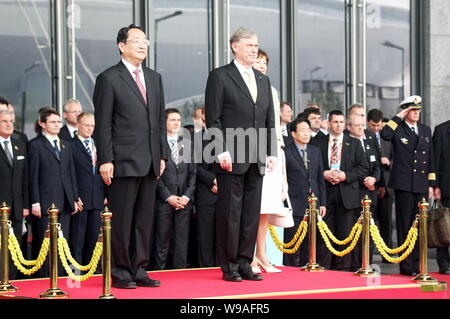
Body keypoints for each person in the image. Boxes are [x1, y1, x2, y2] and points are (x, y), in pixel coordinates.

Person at [93, 24, 168, 289]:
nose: (143, 45)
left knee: (144, 219)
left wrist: (162, 155)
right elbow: (103, 123)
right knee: (122, 220)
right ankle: (121, 270)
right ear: (121, 46)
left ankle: (139, 268)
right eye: (136, 40)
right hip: (122, 160)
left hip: (150, 160)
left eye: (145, 41)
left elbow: (159, 120)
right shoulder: (109, 78)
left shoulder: (154, 77)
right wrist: (105, 158)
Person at [205, 27, 277, 282]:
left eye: (256, 45)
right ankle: (230, 265)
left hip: (257, 157)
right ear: (235, 46)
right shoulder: (220, 76)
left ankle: (246, 262)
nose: (254, 50)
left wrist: (271, 152)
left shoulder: (262, 79)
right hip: (230, 156)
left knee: (250, 213)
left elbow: (270, 120)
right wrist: (220, 150)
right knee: (230, 213)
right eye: (249, 45)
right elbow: (213, 118)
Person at [381, 95, 436, 276]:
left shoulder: (425, 129)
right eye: (413, 110)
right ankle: (406, 266)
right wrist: (398, 117)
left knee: (419, 226)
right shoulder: (398, 128)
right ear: (406, 111)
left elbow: (430, 158)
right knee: (405, 226)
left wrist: (431, 183)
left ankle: (418, 264)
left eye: (418, 110)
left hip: (420, 185)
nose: (417, 113)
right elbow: (385, 134)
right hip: (404, 184)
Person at [310, 110, 368, 270]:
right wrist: (324, 173)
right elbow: (311, 165)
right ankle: (325, 267)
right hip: (325, 194)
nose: (339, 125)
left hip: (347, 194)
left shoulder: (354, 143)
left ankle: (343, 270)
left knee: (345, 234)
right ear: (328, 123)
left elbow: (363, 168)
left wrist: (345, 175)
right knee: (324, 235)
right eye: (335, 122)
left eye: (341, 122)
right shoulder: (318, 142)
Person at [28, 108, 81, 277]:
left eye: (59, 122)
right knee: (46, 244)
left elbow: (71, 174)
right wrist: (35, 201)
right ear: (42, 124)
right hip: (45, 203)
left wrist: (73, 198)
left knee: (62, 243)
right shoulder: (36, 145)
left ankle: (59, 277)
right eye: (52, 122)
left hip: (64, 202)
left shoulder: (66, 144)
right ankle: (44, 278)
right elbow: (33, 176)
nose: (57, 125)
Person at [249, 48, 284, 273]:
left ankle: (262, 253)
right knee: (250, 207)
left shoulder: (271, 90)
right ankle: (249, 256)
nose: (262, 65)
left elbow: (276, 126)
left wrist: (279, 159)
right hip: (250, 150)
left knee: (265, 208)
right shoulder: (246, 88)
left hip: (271, 153)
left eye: (265, 62)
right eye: (258, 61)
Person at [152, 109, 196, 270]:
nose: (177, 122)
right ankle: (160, 272)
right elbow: (155, 175)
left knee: (181, 243)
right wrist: (168, 197)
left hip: (184, 202)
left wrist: (186, 196)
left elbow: (193, 173)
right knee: (162, 241)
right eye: (172, 120)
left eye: (178, 119)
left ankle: (180, 274)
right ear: (164, 122)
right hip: (164, 201)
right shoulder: (157, 145)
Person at [283, 117, 326, 267]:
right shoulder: (286, 152)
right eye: (302, 130)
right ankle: (289, 271)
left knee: (309, 245)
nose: (306, 134)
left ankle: (307, 267)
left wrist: (322, 202)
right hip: (293, 204)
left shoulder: (315, 151)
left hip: (313, 204)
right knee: (291, 243)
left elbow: (319, 179)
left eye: (308, 130)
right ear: (294, 133)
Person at [70, 112, 105, 269]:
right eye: (87, 125)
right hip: (80, 199)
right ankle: (75, 273)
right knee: (78, 239)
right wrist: (74, 196)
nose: (90, 128)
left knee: (95, 239)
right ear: (78, 124)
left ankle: (94, 271)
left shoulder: (99, 143)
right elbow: (69, 174)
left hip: (98, 198)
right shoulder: (70, 145)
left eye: (92, 125)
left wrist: (106, 195)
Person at [0, 109, 29, 279]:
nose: (9, 124)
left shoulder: (19, 144)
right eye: (5, 121)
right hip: (1, 208)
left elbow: (25, 178)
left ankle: (10, 281)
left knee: (14, 248)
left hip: (17, 209)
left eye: (11, 121)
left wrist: (25, 204)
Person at [367, 108, 394, 260]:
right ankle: (368, 255)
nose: (376, 129)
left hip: (388, 185)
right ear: (368, 123)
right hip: (371, 185)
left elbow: (396, 158)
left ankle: (387, 253)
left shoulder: (387, 138)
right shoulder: (365, 137)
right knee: (370, 221)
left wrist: (388, 161)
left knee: (387, 222)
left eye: (378, 126)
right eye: (373, 125)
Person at [194, 107, 218, 267]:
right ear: (203, 116)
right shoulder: (194, 139)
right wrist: (212, 181)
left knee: (223, 234)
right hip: (204, 192)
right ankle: (205, 267)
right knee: (205, 235)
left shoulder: (227, 137)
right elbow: (194, 166)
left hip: (225, 193)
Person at [433, 118, 450, 275]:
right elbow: (435, 159)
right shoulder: (441, 130)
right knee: (443, 225)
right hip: (447, 187)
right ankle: (444, 264)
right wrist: (435, 184)